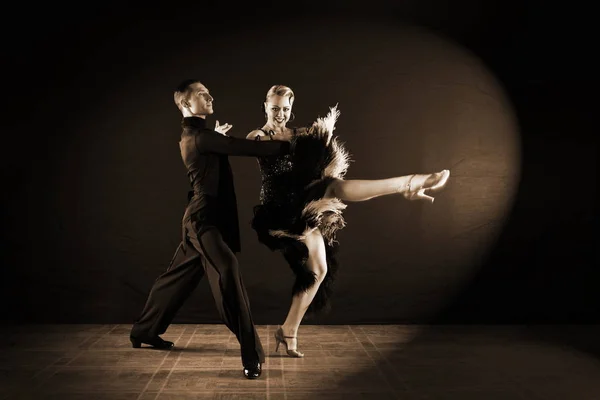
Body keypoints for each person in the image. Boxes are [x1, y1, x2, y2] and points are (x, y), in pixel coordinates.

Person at [246, 85, 450, 357]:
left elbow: (317, 155)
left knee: (319, 268)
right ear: (265, 106)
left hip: (304, 202)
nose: (280, 114)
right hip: (278, 209)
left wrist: (316, 143)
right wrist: (302, 144)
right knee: (331, 189)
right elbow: (264, 149)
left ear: (291, 109)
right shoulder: (257, 136)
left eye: (285, 109)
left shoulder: (300, 135)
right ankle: (409, 183)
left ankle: (288, 330)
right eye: (274, 108)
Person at [130, 80, 293, 379]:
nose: (210, 96)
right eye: (202, 94)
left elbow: (213, 152)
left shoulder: (198, 136)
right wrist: (289, 144)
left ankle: (144, 330)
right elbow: (243, 147)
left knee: (176, 277)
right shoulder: (201, 137)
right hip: (203, 221)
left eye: (209, 92)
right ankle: (252, 355)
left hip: (202, 219)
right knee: (228, 270)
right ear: (186, 104)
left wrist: (216, 138)